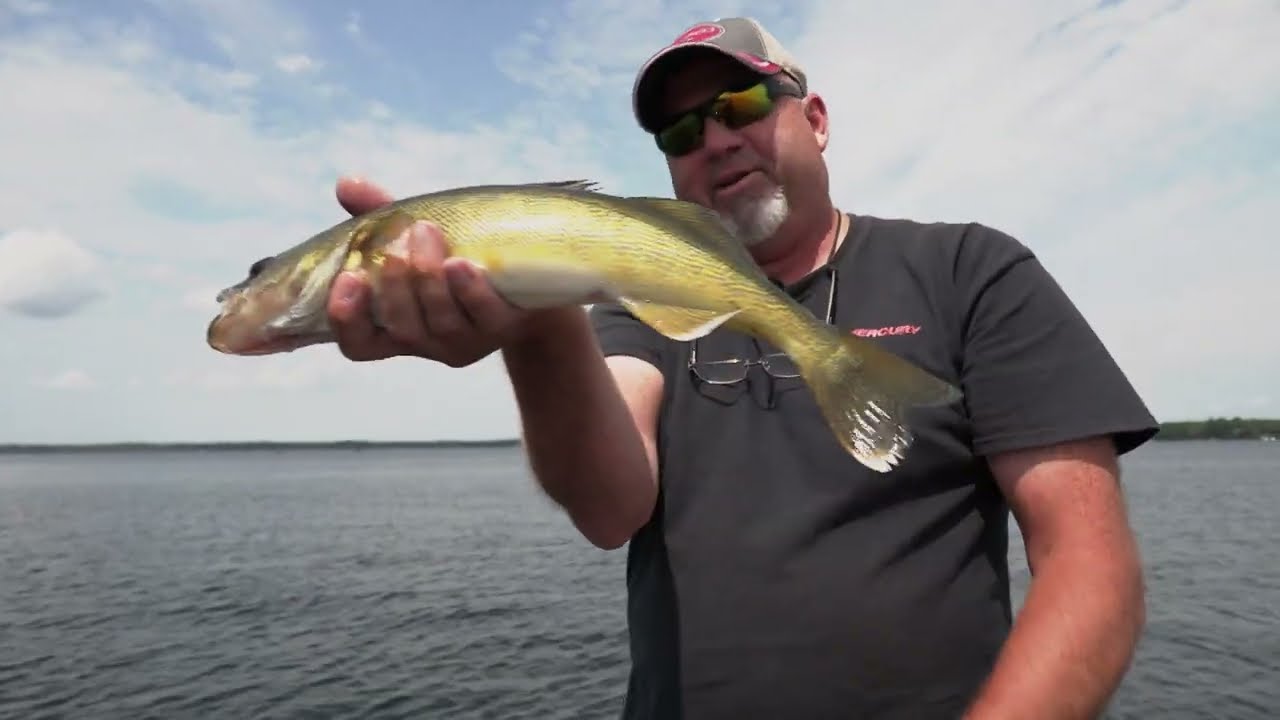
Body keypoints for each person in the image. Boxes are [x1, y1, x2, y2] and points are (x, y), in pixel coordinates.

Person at [323, 16, 1158, 720]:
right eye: (681, 132)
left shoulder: (970, 269)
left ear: (817, 119)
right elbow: (613, 507)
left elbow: (1092, 563)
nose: (716, 140)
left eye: (742, 104)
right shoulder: (635, 301)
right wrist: (536, 331)